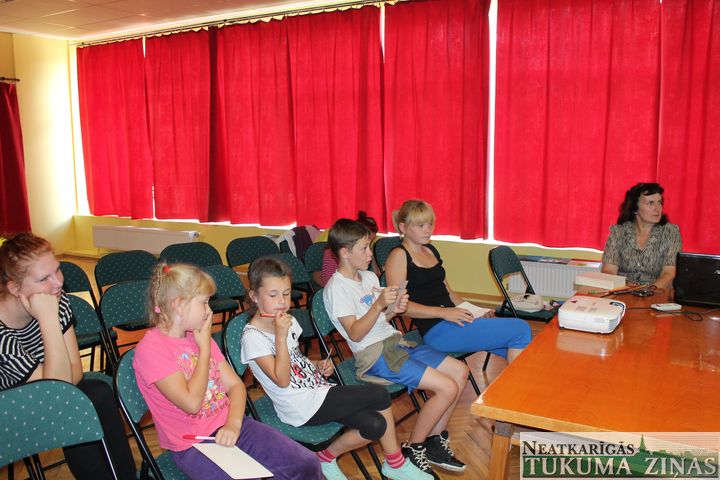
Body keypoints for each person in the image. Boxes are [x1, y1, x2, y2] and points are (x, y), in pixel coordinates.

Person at [241, 256, 431, 480]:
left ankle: (325, 457)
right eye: (273, 295)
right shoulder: (253, 337)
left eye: (286, 293)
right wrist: (280, 337)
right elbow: (281, 379)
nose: (282, 302)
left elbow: (295, 361)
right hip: (299, 405)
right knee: (379, 394)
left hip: (317, 390)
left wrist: (316, 365)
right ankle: (395, 463)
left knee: (375, 425)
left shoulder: (286, 321)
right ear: (254, 296)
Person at [133, 262, 320, 480]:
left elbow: (235, 385)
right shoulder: (152, 349)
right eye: (204, 302)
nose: (209, 310)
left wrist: (233, 423)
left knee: (307, 463)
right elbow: (192, 403)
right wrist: (204, 349)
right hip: (194, 444)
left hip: (232, 425)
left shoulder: (196, 335)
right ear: (179, 305)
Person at [323, 219, 469, 480]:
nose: (370, 254)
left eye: (370, 247)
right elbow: (355, 333)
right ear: (345, 252)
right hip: (374, 354)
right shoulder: (337, 288)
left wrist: (393, 309)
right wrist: (379, 305)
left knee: (460, 371)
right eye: (364, 248)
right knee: (447, 387)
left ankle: (434, 440)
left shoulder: (368, 277)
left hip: (395, 343)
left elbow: (382, 319)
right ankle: (414, 449)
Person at [0, 232, 136, 479]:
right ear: (14, 288)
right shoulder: (4, 334)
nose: (58, 283)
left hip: (50, 390)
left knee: (97, 393)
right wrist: (48, 320)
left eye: (57, 270)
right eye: (44, 278)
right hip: (10, 410)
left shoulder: (56, 300)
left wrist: (49, 317)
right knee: (76, 405)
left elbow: (74, 369)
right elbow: (53, 393)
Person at [384, 200, 531, 364]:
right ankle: (516, 381)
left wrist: (477, 311)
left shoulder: (430, 250)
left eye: (430, 224)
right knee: (521, 329)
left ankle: (520, 379)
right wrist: (443, 313)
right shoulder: (398, 256)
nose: (428, 230)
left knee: (518, 347)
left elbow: (449, 293)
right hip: (437, 331)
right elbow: (397, 306)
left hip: (454, 320)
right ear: (403, 228)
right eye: (420, 225)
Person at [601, 182, 682, 289]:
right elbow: (609, 270)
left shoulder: (671, 232)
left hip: (657, 292)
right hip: (622, 291)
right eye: (651, 203)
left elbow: (669, 274)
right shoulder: (618, 232)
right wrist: (625, 290)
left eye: (660, 202)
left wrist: (647, 292)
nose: (657, 208)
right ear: (635, 208)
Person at [318, 211, 380, 287]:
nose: (370, 253)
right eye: (364, 247)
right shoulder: (336, 286)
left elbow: (377, 274)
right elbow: (327, 281)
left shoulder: (370, 277)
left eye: (370, 244)